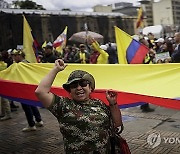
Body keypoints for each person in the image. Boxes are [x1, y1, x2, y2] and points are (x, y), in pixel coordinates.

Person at [35, 59, 123, 153]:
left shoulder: (99, 103)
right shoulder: (63, 105)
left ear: (90, 88)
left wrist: (113, 103)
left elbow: (117, 123)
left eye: (83, 84)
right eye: (73, 85)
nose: (79, 88)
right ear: (70, 91)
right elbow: (40, 92)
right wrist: (56, 69)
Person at [11, 49, 44, 132]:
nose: (13, 58)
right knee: (32, 104)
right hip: (29, 87)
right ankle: (38, 120)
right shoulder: (27, 63)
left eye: (15, 56)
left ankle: (31, 124)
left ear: (19, 56)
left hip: (23, 88)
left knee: (26, 106)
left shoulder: (20, 65)